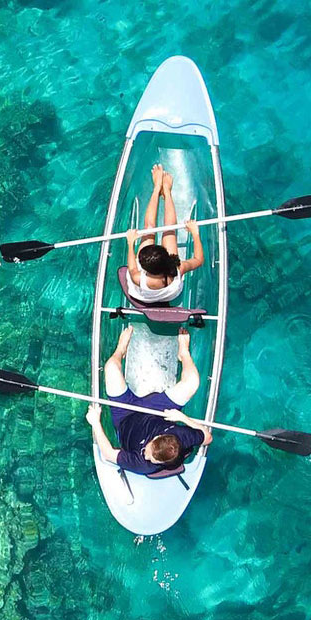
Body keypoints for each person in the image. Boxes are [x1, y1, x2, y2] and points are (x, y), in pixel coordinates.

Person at [85, 325, 214, 475]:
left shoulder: (143, 464)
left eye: (151, 458)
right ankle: (183, 354)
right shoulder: (181, 437)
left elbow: (108, 453)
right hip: (157, 412)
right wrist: (182, 418)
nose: (146, 455)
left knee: (111, 368)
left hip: (125, 417)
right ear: (159, 437)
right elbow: (207, 438)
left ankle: (120, 349)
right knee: (192, 382)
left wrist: (95, 422)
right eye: (149, 450)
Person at [123, 164, 205, 305]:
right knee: (170, 230)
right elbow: (198, 260)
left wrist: (131, 244)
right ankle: (166, 190)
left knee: (149, 229)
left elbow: (131, 267)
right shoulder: (177, 269)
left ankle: (157, 189)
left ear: (144, 267)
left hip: (144, 294)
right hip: (170, 294)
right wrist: (195, 233)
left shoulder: (138, 277)